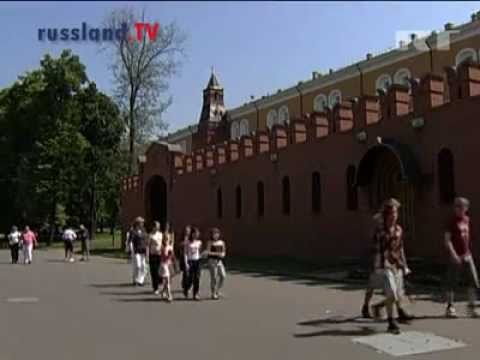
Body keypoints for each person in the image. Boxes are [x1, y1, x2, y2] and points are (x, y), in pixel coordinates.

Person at [370, 198, 410, 334]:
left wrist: (404, 264)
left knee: (397, 295)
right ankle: (391, 322)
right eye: (392, 213)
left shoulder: (399, 229)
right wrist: (383, 264)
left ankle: (378, 308)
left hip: (396, 265)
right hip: (384, 266)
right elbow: (379, 250)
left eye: (396, 212)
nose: (394, 215)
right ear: (386, 215)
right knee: (392, 293)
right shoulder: (380, 231)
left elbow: (401, 248)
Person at [445, 197, 479, 318]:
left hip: (467, 255)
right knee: (452, 281)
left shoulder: (467, 220)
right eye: (456, 206)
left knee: (473, 280)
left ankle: (471, 308)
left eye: (461, 206)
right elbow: (447, 240)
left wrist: (469, 253)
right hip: (455, 256)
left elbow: (468, 238)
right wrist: (453, 255)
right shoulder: (451, 222)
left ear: (466, 208)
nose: (458, 209)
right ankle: (450, 307)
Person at [207, 228, 227, 300]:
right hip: (212, 261)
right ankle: (213, 293)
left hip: (219, 261)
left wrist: (223, 255)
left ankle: (217, 291)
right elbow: (208, 252)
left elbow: (224, 251)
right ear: (212, 235)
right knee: (214, 278)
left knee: (223, 276)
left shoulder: (222, 242)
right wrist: (217, 253)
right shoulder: (210, 242)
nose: (215, 235)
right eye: (214, 234)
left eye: (217, 233)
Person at [183, 227, 203, 300]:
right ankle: (186, 289)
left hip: (197, 261)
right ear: (192, 234)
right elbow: (185, 253)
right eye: (194, 233)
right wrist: (186, 263)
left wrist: (202, 256)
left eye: (197, 233)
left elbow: (200, 252)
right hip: (190, 261)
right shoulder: (187, 242)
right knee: (190, 278)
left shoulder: (199, 242)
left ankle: (195, 294)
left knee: (197, 278)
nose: (196, 235)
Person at [127, 217, 148, 286]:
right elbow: (130, 241)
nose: (142, 224)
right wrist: (131, 250)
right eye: (141, 222)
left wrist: (146, 249)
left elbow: (146, 240)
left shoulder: (143, 230)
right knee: (138, 266)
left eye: (142, 222)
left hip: (143, 251)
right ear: (137, 223)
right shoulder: (133, 231)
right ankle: (135, 279)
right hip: (136, 251)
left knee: (143, 266)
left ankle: (140, 281)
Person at [147, 221, 163, 295]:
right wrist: (147, 256)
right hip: (152, 255)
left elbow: (163, 244)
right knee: (154, 272)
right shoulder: (150, 235)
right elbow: (147, 246)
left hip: (159, 255)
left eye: (158, 226)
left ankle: (160, 282)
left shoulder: (161, 235)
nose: (158, 227)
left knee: (160, 271)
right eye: (157, 226)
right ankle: (155, 288)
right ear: (153, 227)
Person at [159, 234, 175, 302]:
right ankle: (169, 295)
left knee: (169, 281)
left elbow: (173, 257)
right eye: (165, 239)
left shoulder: (170, 247)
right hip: (164, 265)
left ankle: (163, 291)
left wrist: (172, 258)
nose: (166, 240)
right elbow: (163, 258)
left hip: (169, 265)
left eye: (167, 239)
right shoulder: (162, 247)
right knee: (167, 280)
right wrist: (168, 255)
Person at [179, 225, 192, 293]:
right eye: (186, 230)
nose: (187, 232)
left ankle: (187, 285)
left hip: (190, 257)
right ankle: (185, 285)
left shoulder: (191, 238)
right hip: (183, 257)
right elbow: (179, 245)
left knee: (190, 272)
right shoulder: (182, 238)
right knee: (185, 272)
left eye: (188, 230)